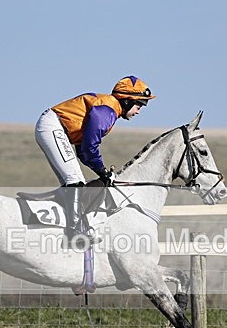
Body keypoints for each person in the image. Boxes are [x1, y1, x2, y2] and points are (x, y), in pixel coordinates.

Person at [35, 75, 156, 240]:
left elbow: (84, 152)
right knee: (74, 180)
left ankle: (62, 227)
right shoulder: (107, 111)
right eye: (140, 104)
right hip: (54, 126)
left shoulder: (108, 108)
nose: (140, 110)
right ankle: (76, 232)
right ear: (126, 101)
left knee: (72, 182)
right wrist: (103, 171)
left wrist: (101, 171)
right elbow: (89, 148)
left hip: (54, 126)